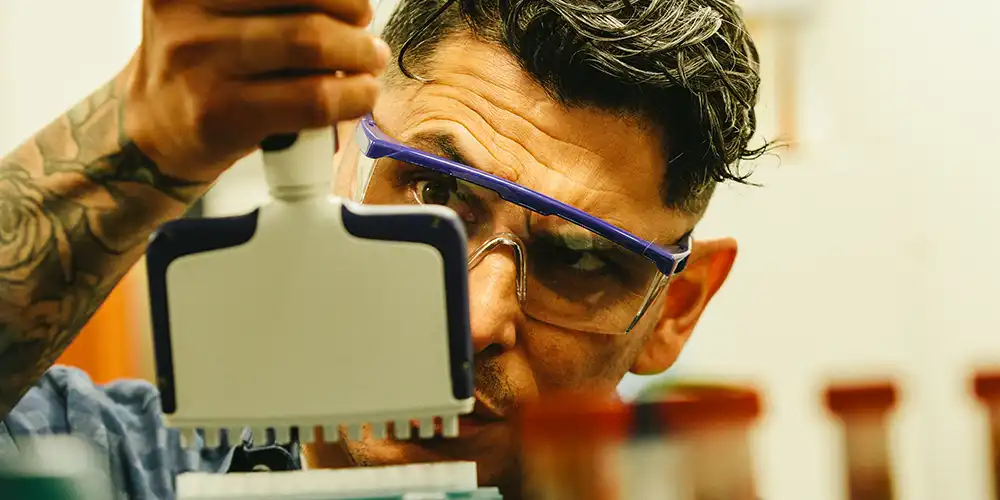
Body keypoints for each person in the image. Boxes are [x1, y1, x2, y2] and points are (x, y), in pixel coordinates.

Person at [0, 0, 767, 498]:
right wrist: (136, 138)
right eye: (436, 197)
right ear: (334, 159)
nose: (473, 323)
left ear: (676, 310)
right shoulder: (107, 469)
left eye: (585, 259)